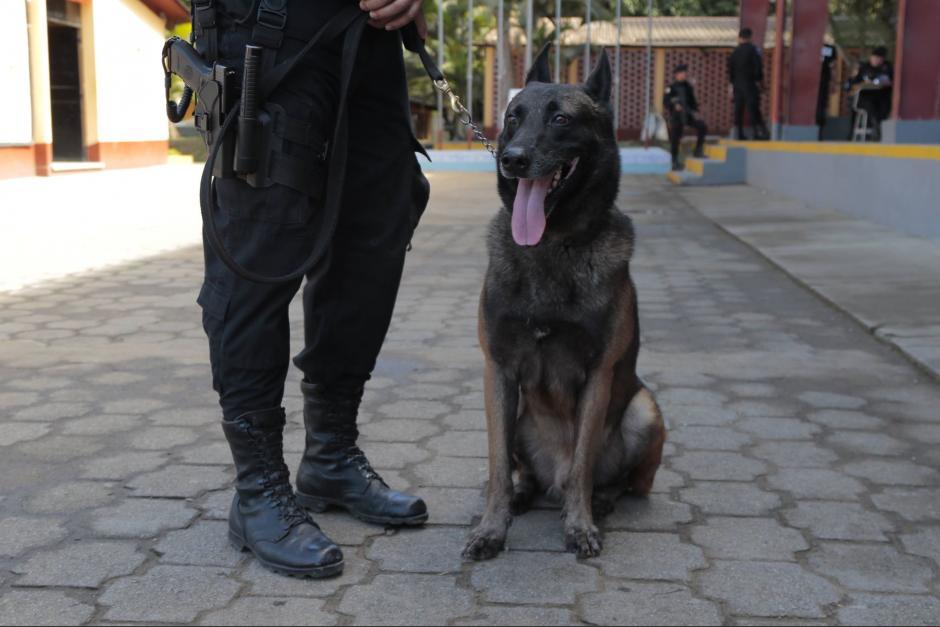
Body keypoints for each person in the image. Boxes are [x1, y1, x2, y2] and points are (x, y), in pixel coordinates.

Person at [193, 0, 430, 579]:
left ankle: (330, 454)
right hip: (266, 25)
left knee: (369, 241)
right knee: (258, 249)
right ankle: (258, 492)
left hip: (370, 37)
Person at [664, 63, 707, 171]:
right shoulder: (671, 87)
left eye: (685, 73)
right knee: (675, 139)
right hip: (677, 116)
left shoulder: (688, 86)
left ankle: (698, 150)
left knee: (702, 126)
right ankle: (674, 162)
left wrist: (697, 110)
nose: (684, 75)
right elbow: (666, 101)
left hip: (687, 115)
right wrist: (674, 105)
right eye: (682, 73)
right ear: (676, 75)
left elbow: (692, 101)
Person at [728, 27, 769, 140]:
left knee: (739, 110)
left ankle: (739, 134)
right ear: (750, 37)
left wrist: (732, 85)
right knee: (753, 109)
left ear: (739, 38)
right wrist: (760, 83)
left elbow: (730, 71)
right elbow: (758, 69)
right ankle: (756, 133)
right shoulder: (754, 51)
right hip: (750, 84)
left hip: (737, 85)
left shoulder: (734, 53)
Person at [848, 46, 893, 139]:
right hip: (865, 97)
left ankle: (878, 129)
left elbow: (891, 81)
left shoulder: (887, 67)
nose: (876, 60)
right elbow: (854, 82)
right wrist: (863, 83)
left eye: (879, 58)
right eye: (874, 58)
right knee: (865, 105)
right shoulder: (864, 67)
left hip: (881, 96)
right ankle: (872, 126)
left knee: (883, 106)